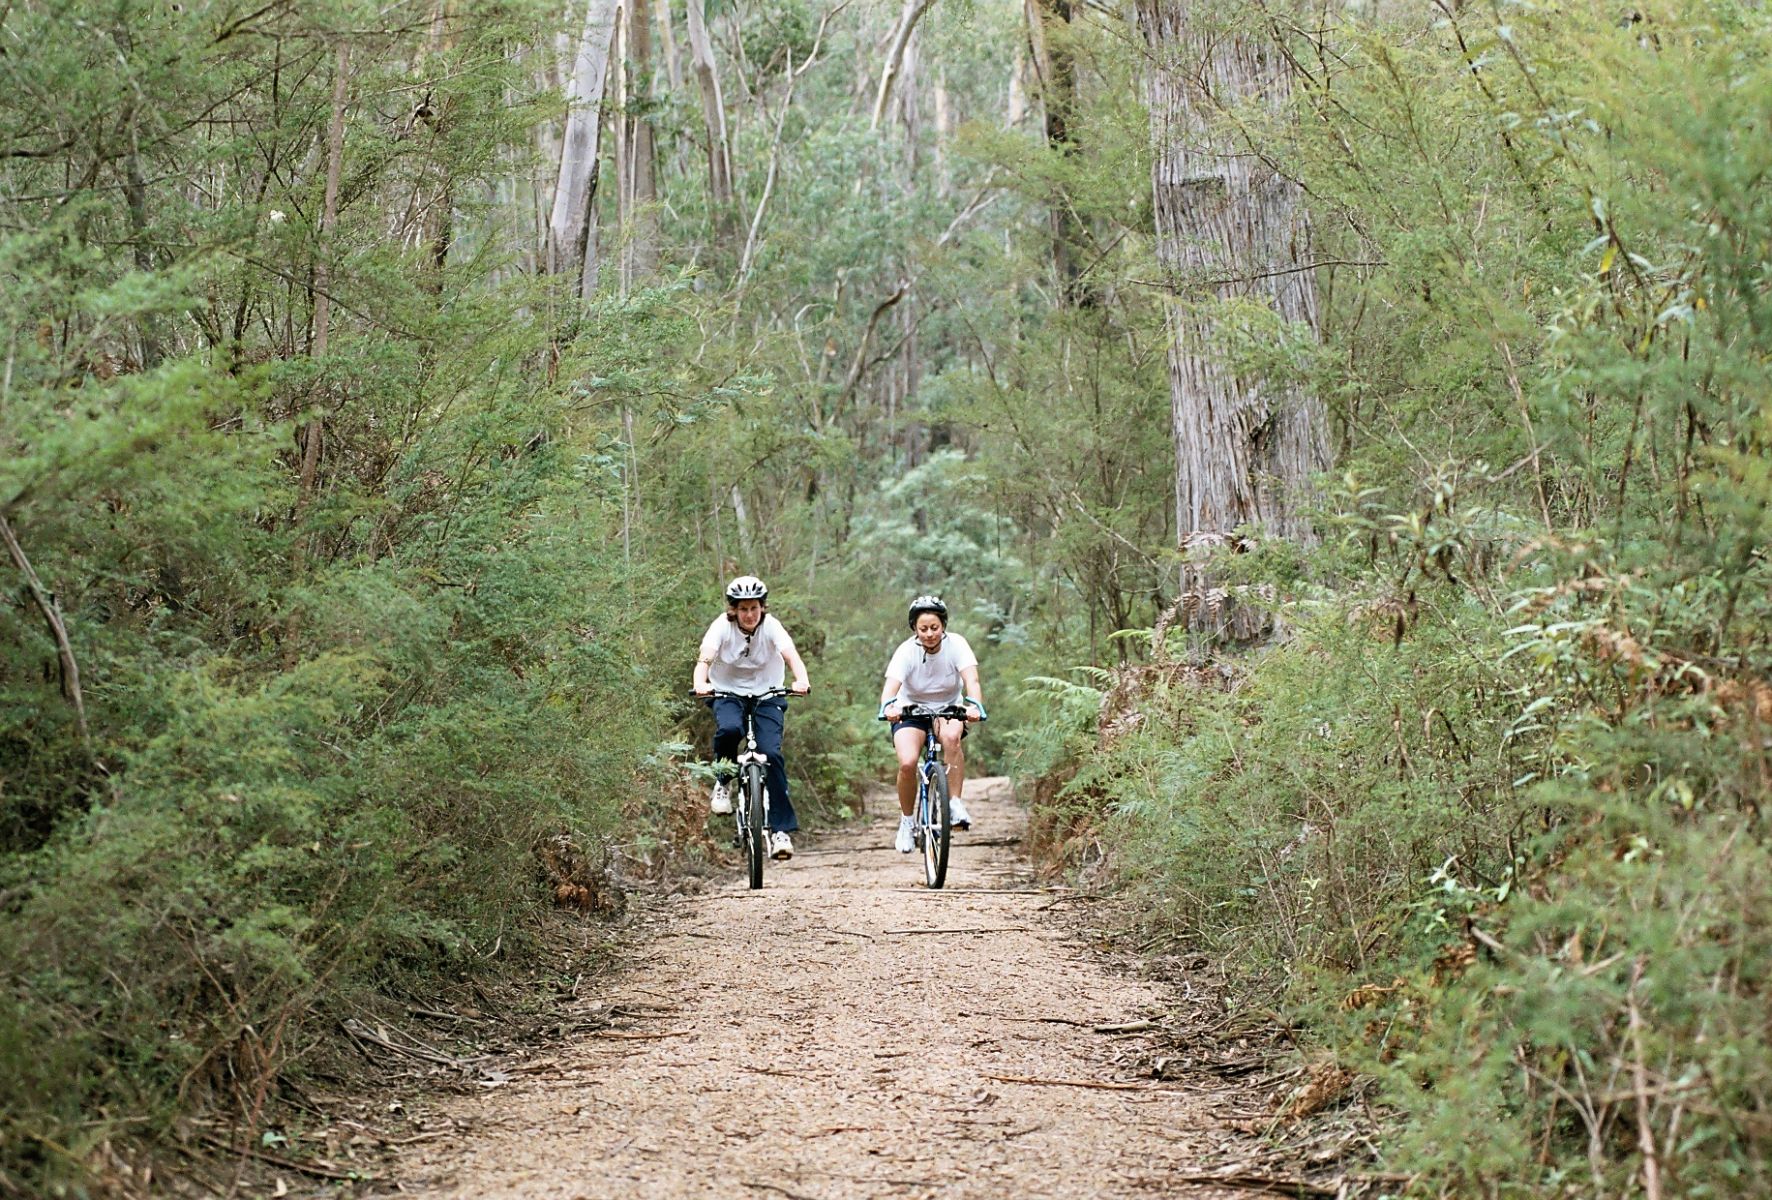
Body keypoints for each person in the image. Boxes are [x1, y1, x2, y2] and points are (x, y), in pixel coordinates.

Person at [692, 575, 811, 861]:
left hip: (768, 694)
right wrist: (700, 682)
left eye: (754, 608)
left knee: (771, 754)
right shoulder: (721, 627)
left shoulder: (771, 627)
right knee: (730, 730)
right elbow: (705, 660)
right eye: (743, 609)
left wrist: (802, 680)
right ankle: (723, 782)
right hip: (727, 692)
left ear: (762, 607)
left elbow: (791, 655)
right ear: (733, 610)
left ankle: (781, 832)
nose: (749, 615)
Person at [878, 594, 986, 854]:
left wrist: (974, 706)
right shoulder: (906, 651)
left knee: (951, 739)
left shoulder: (957, 645)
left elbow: (972, 680)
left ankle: (955, 803)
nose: (929, 634)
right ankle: (907, 822)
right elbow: (890, 688)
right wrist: (889, 708)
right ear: (914, 628)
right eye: (923, 629)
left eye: (934, 628)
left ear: (943, 626)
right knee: (907, 762)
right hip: (911, 709)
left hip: (948, 707)